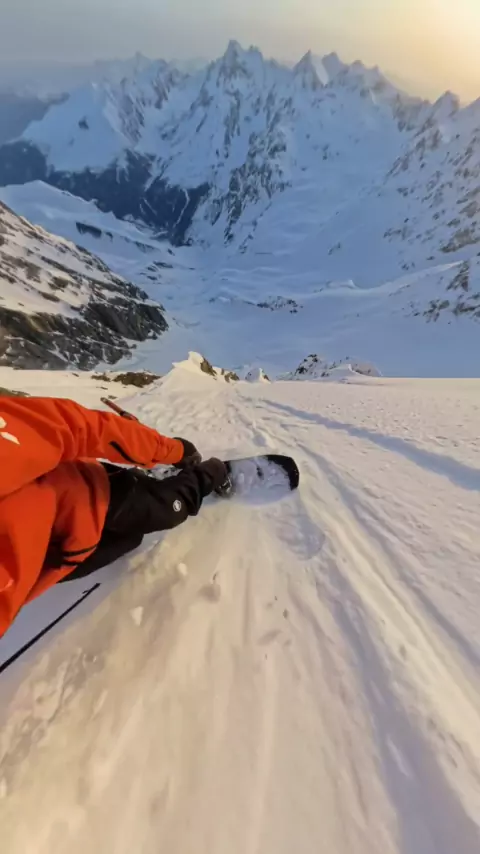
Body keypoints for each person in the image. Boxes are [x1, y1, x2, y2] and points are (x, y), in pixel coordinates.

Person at [0, 396, 230, 637]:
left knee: (172, 509)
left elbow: (83, 426)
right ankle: (146, 485)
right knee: (131, 538)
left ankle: (215, 471)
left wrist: (176, 451)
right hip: (65, 552)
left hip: (97, 494)